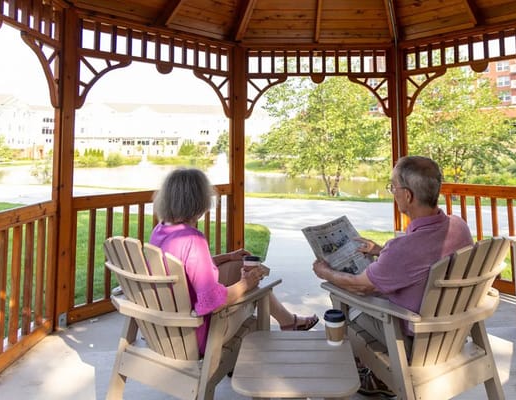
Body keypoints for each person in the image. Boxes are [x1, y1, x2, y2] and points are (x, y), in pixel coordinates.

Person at [312, 155, 473, 398]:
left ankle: (369, 374)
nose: (393, 193)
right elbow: (417, 258)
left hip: (413, 341)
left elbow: (359, 286)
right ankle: (374, 376)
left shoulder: (405, 250)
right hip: (452, 334)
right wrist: (380, 251)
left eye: (393, 187)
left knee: (342, 301)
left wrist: (325, 272)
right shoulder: (458, 226)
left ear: (407, 196)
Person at [150, 167, 318, 356]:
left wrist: (228, 257)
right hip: (197, 335)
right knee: (256, 295)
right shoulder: (193, 240)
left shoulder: (161, 230)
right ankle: (268, 348)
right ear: (199, 201)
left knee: (240, 266)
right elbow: (211, 302)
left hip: (168, 326)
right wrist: (246, 284)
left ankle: (288, 321)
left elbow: (181, 266)